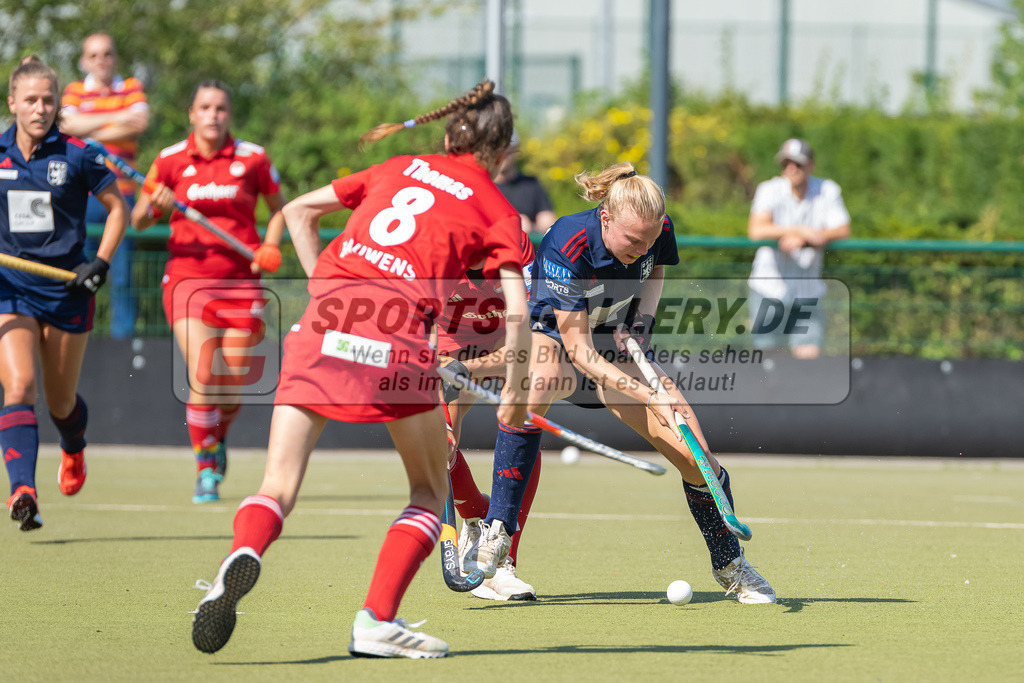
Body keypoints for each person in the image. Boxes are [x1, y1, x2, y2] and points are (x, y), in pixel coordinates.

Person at [189, 80, 531, 659]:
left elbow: (297, 212)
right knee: (426, 491)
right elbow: (518, 313)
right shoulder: (497, 207)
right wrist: (515, 395)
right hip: (397, 342)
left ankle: (239, 558)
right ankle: (376, 620)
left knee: (277, 486)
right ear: (500, 155)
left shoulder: (397, 165)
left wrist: (325, 292)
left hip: (320, 327)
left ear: (449, 134)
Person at [462, 162, 777, 605]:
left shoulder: (656, 228)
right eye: (632, 241)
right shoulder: (567, 241)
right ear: (606, 218)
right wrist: (652, 395)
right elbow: (581, 353)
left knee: (695, 455)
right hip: (557, 338)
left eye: (648, 240)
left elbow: (658, 270)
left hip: (614, 339)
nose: (641, 248)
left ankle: (729, 563)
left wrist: (642, 323)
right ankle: (497, 543)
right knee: (541, 380)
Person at [130, 80, 285, 504]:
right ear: (192, 114)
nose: (212, 114)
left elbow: (278, 210)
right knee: (203, 372)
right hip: (187, 280)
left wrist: (269, 246)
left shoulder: (252, 158)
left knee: (232, 382)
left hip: (241, 282)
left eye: (220, 107)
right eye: (204, 107)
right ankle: (205, 468)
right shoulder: (169, 160)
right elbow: (139, 220)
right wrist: (154, 203)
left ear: (228, 114)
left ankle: (215, 436)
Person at [1, 56, 128, 531]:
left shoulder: (78, 154)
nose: (39, 108)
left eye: (48, 99)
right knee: (19, 387)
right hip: (9, 288)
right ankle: (23, 490)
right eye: (30, 99)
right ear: (12, 103)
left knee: (60, 402)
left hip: (66, 289)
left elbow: (118, 210)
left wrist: (101, 263)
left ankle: (74, 448)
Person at [435, 228, 539, 601]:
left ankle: (503, 559)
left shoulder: (516, 246)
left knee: (526, 418)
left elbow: (524, 331)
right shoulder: (437, 246)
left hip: (504, 339)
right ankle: (477, 520)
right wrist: (439, 364)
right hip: (446, 339)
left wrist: (472, 368)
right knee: (438, 443)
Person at [60, 33, 149, 339]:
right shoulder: (73, 90)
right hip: (80, 196)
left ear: (115, 58)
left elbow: (138, 122)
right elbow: (67, 127)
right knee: (77, 268)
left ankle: (121, 340)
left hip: (120, 195)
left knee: (121, 275)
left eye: (107, 54)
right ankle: (75, 331)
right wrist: (117, 120)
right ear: (84, 60)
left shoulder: (132, 86)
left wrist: (90, 125)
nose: (101, 60)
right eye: (94, 55)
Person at [747, 138, 851, 359]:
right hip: (769, 289)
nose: (791, 168)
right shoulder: (769, 189)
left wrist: (813, 237)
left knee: (807, 361)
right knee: (767, 361)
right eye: (786, 163)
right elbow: (756, 229)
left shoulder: (827, 189)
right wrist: (800, 231)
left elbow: (842, 229)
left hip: (808, 292)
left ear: (811, 164)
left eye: (798, 163)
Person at [494, 130, 556, 234]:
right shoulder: (480, 185)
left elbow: (548, 223)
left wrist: (530, 228)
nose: (501, 155)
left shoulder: (531, 184)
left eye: (506, 150)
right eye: (496, 149)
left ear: (516, 149)